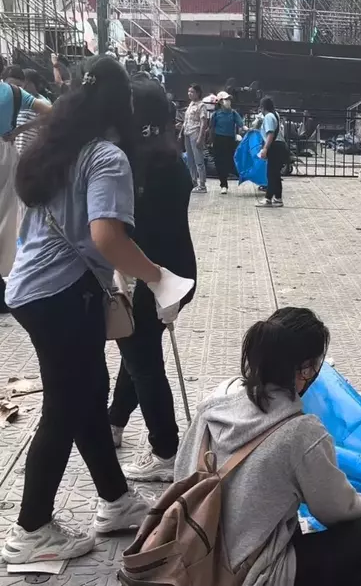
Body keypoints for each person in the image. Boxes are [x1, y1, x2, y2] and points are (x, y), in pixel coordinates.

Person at [2, 56, 192, 564]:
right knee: (65, 407)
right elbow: (106, 235)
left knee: (87, 395)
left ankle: (115, 500)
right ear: (123, 108)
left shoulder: (54, 147)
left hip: (33, 287)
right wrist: (157, 276)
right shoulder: (107, 156)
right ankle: (31, 529)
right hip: (63, 294)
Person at [174, 307, 361, 586]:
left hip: (189, 552)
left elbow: (181, 472)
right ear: (307, 369)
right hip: (246, 574)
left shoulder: (217, 399)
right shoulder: (301, 432)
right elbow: (339, 512)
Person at [106, 76, 197, 482]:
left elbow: (135, 232)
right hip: (176, 270)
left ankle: (165, 449)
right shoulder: (169, 155)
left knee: (142, 357)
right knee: (138, 350)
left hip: (155, 276)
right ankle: (114, 423)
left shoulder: (138, 163)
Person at [0, 68, 52, 315]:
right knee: (6, 217)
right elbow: (51, 113)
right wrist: (18, 131)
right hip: (5, 151)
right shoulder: (14, 93)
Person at [256, 97, 289, 207]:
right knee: (275, 174)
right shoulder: (275, 114)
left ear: (263, 107)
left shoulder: (268, 117)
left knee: (271, 174)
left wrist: (265, 148)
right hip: (280, 145)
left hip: (274, 146)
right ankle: (278, 198)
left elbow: (270, 134)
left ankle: (268, 198)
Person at [210, 91, 245, 195]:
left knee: (230, 161)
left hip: (230, 140)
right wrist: (211, 141)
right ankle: (223, 184)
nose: (228, 101)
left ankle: (240, 175)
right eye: (226, 99)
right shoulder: (216, 114)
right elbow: (212, 128)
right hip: (218, 139)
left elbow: (241, 124)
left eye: (229, 99)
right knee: (219, 162)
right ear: (220, 102)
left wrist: (247, 129)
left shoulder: (233, 113)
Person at [181, 83, 209, 193]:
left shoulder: (201, 106)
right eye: (189, 91)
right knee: (190, 159)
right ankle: (193, 181)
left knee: (199, 160)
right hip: (187, 133)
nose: (189, 94)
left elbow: (203, 122)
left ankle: (202, 184)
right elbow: (186, 120)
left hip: (195, 133)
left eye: (192, 92)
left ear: (198, 93)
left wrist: (200, 137)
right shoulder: (190, 104)